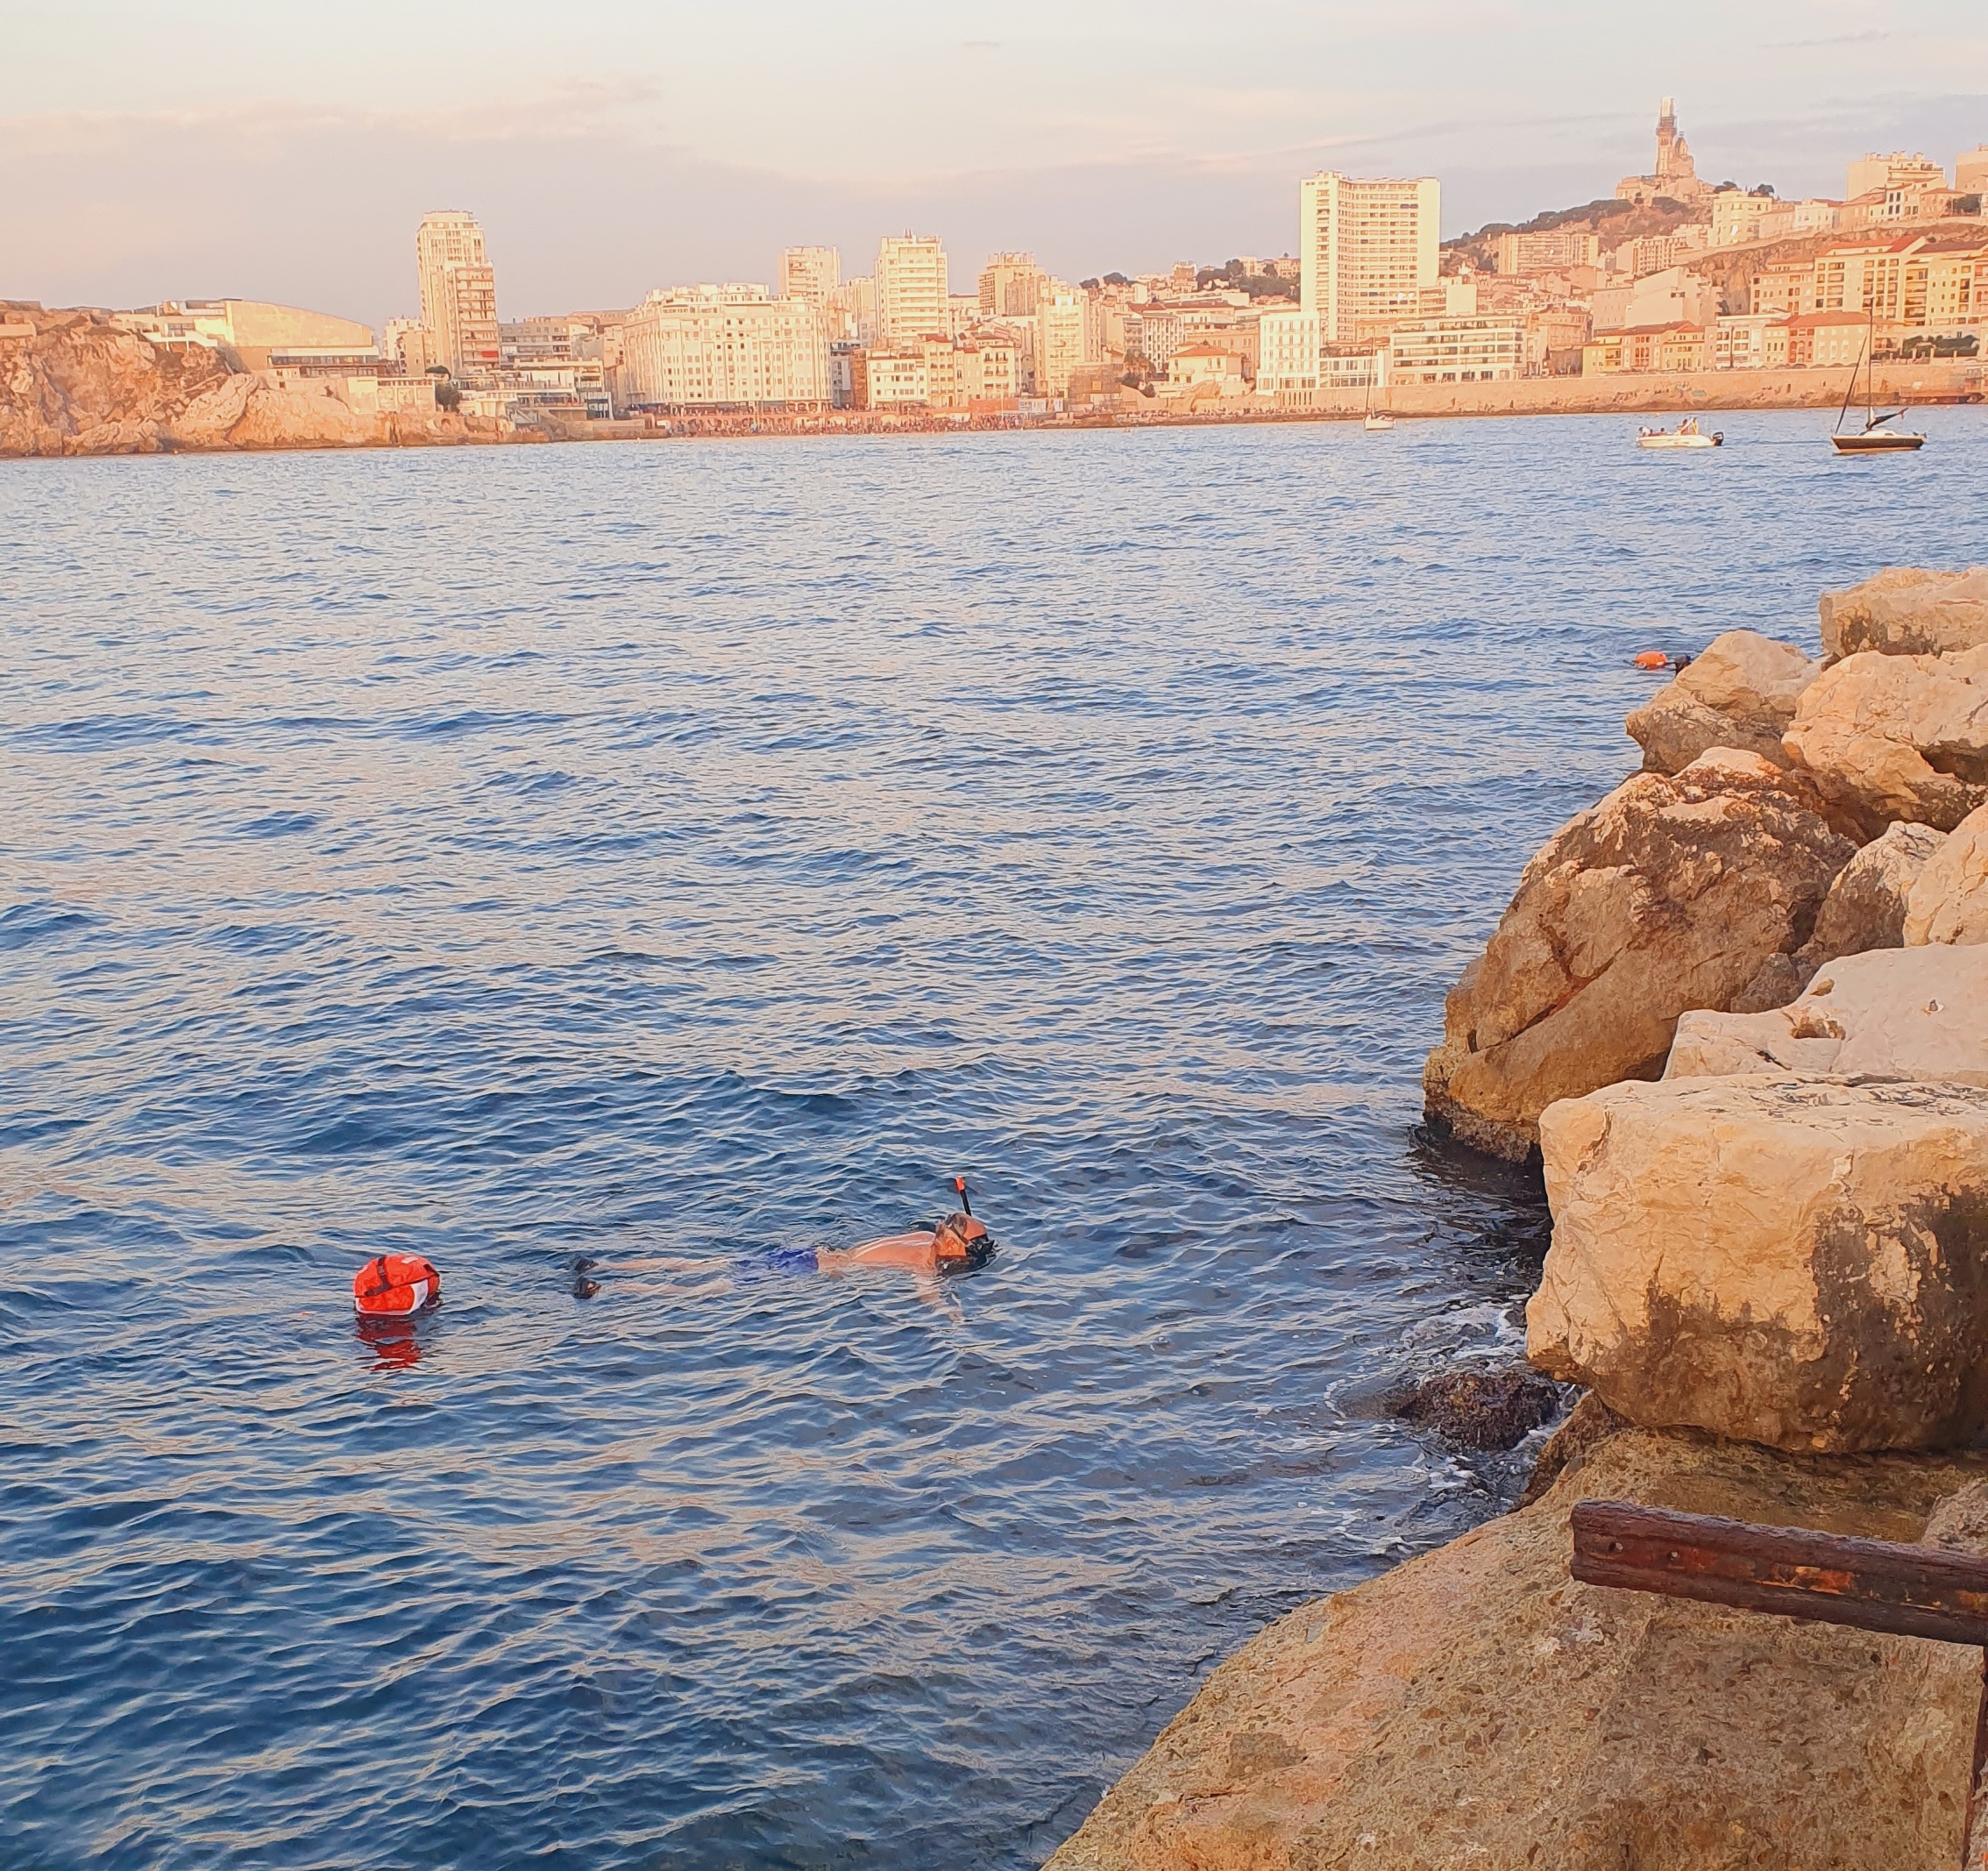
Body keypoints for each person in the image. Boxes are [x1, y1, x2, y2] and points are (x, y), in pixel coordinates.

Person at [814, 1209, 994, 1277]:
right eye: (976, 1244)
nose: (982, 1247)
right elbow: (927, 1292)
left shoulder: (924, 1235)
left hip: (821, 1254)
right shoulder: (925, 1261)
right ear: (952, 1245)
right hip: (821, 1268)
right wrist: (952, 1316)